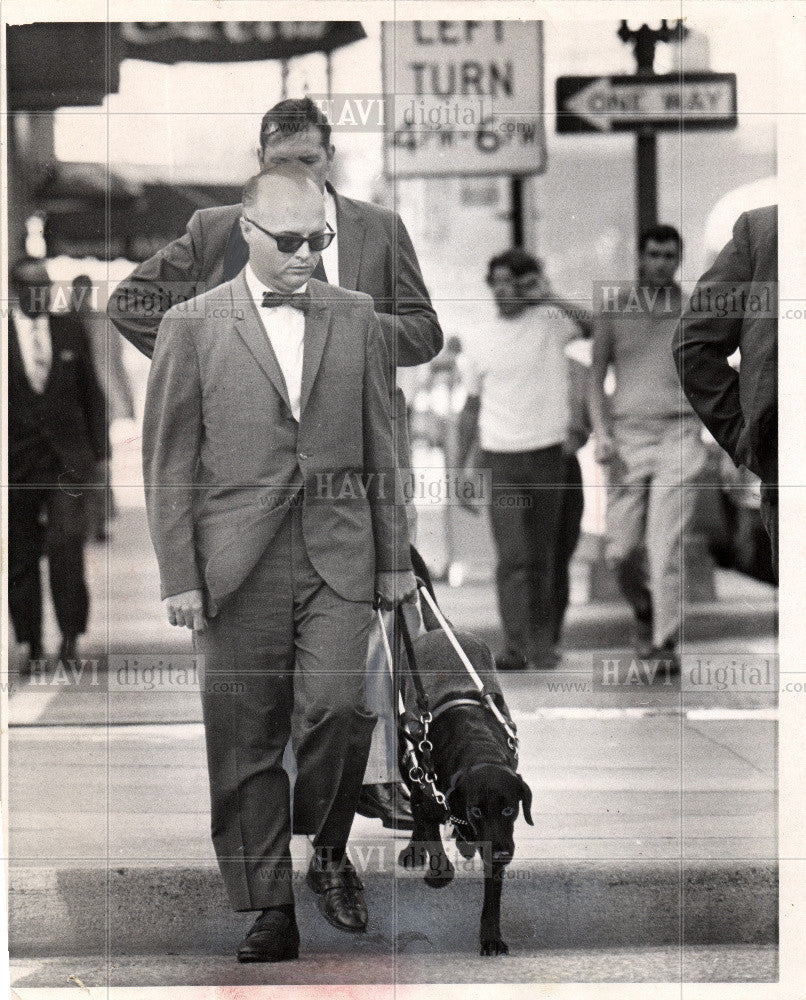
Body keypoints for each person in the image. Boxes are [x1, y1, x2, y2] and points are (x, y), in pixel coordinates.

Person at [108, 96, 443, 830]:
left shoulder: (379, 230)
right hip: (245, 484)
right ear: (258, 167)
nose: (294, 174)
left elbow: (425, 333)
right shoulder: (217, 228)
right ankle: (292, 828)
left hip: (352, 455)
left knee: (351, 665)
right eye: (278, 163)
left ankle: (368, 782)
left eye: (308, 162)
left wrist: (334, 326)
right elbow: (132, 303)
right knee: (252, 694)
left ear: (332, 162)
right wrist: (217, 361)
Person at [142, 167, 415, 961]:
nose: (305, 256)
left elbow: (381, 447)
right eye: (289, 241)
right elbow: (168, 465)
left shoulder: (356, 316)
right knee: (244, 736)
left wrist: (394, 558)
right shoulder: (191, 325)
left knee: (338, 708)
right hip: (234, 567)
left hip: (338, 554)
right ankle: (270, 907)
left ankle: (328, 850)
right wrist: (180, 576)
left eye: (318, 240)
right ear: (247, 234)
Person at [457, 249, 590, 671]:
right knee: (513, 556)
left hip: (550, 456)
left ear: (527, 284)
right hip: (501, 461)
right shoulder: (478, 338)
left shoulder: (552, 323)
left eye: (511, 281)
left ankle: (544, 642)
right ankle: (515, 646)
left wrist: (551, 296)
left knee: (546, 555)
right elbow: (471, 408)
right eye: (495, 281)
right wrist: (463, 469)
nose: (501, 289)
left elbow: (600, 328)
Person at [589, 224, 707, 672]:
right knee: (620, 551)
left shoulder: (694, 310)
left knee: (665, 544)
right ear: (640, 257)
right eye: (653, 254)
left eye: (669, 256)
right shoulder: (615, 310)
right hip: (626, 438)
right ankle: (644, 611)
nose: (661, 263)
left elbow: (712, 370)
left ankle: (664, 643)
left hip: (680, 433)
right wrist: (602, 433)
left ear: (679, 260)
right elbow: (595, 379)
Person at [8, 257, 108, 671]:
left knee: (67, 548)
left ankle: (70, 637)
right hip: (14, 468)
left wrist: (100, 455)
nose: (42, 296)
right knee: (21, 555)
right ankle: (30, 642)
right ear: (15, 290)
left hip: (68, 464)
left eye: (47, 288)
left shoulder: (69, 328)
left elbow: (92, 393)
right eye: (33, 289)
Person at [673, 205, 777, 578]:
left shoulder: (766, 231)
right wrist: (748, 437)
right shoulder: (764, 232)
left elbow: (694, 342)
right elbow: (695, 344)